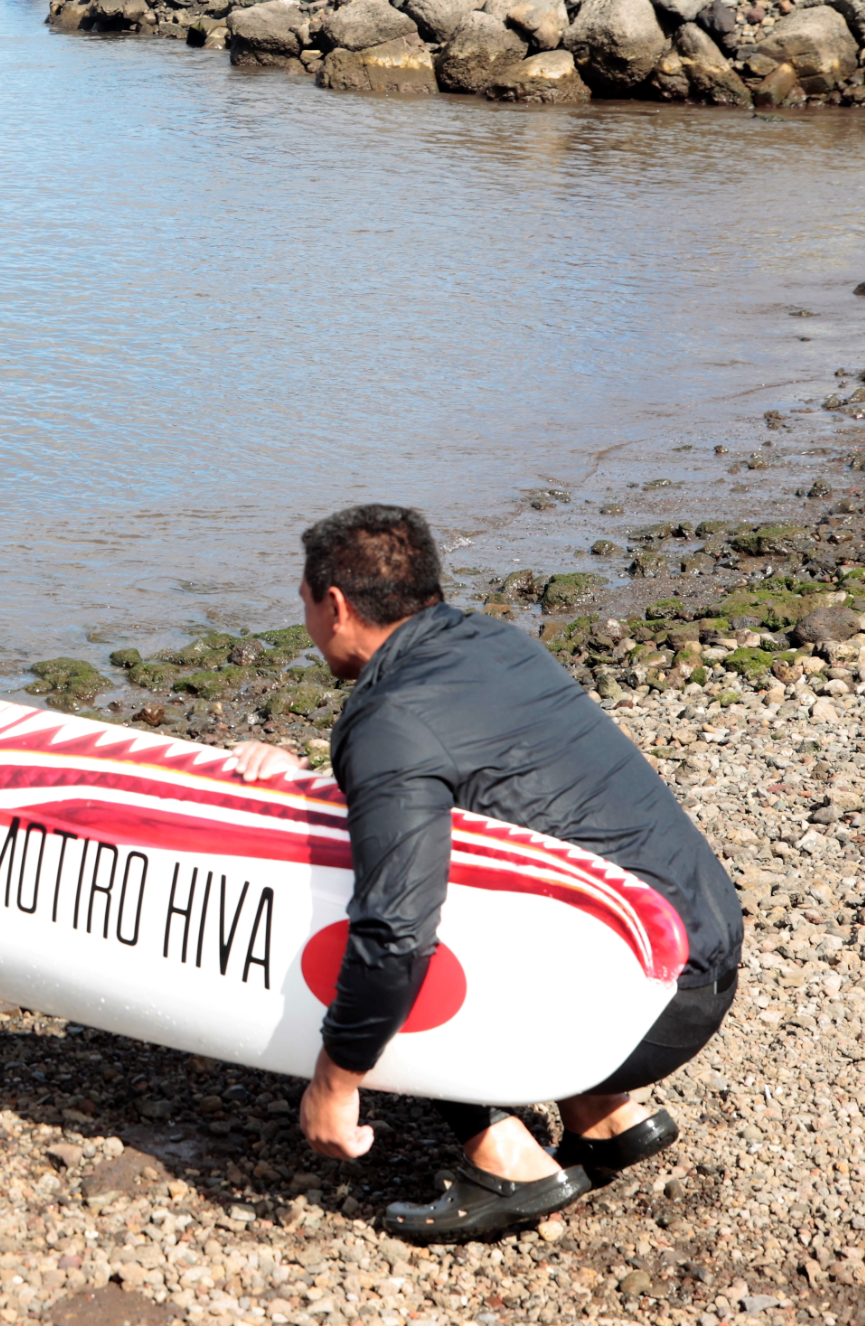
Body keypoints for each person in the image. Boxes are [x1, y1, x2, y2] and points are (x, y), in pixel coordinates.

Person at [230, 505, 743, 1241]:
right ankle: (605, 1115)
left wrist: (332, 1082)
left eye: (306, 602)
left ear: (334, 604)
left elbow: (395, 932)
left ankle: (506, 1161)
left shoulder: (388, 717)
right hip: (704, 960)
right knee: (462, 867)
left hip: (638, 1005)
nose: (309, 620)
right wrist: (303, 783)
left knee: (375, 925)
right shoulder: (494, 644)